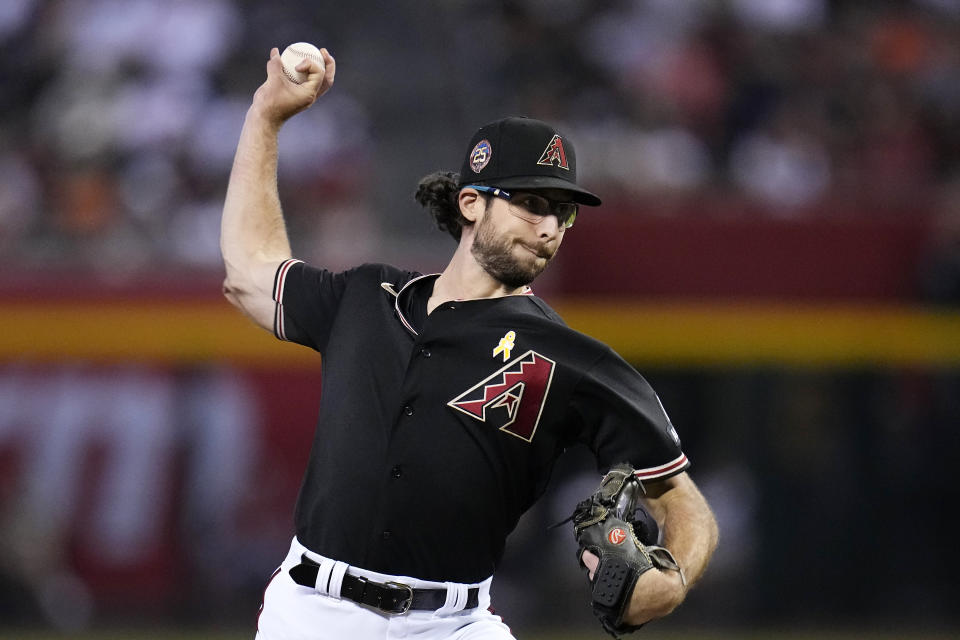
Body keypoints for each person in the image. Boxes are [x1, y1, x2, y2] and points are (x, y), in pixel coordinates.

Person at [221, 47, 718, 640]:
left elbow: (680, 497)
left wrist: (674, 578)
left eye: (563, 213)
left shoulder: (570, 359)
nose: (549, 227)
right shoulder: (366, 298)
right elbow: (250, 272)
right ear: (470, 202)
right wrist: (265, 117)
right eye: (532, 204)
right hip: (311, 612)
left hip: (454, 623)